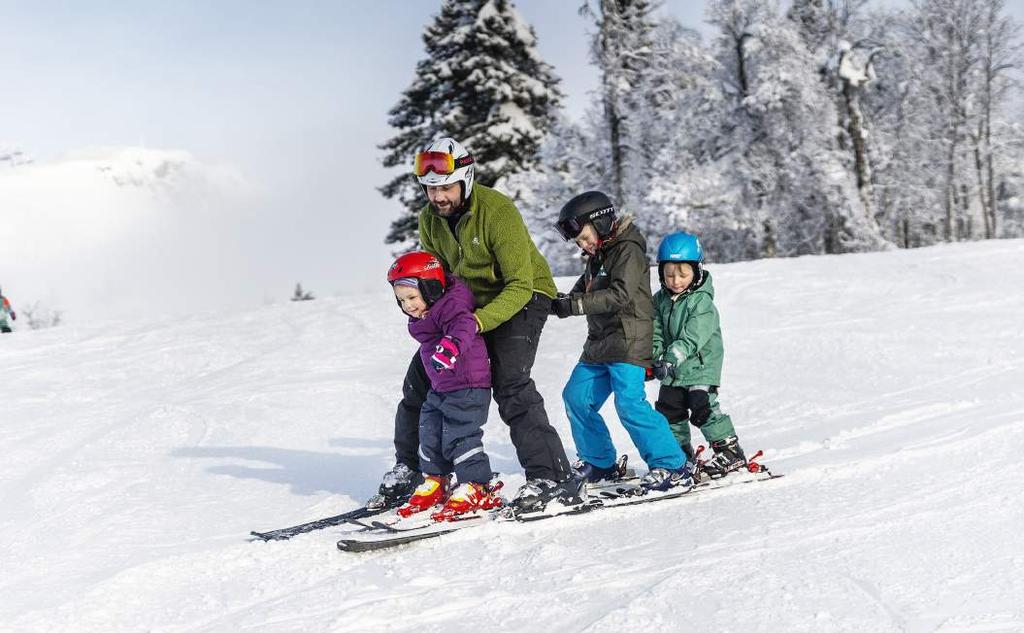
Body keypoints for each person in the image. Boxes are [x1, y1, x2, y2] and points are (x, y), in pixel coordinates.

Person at [369, 137, 579, 515]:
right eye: (431, 189)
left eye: (446, 187)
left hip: (524, 297)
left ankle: (551, 476)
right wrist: (440, 324)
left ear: (465, 181)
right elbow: (438, 281)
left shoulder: (498, 211)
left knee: (510, 381)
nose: (438, 197)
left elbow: (519, 282)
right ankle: (414, 469)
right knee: (422, 379)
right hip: (465, 306)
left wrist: (474, 325)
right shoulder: (429, 220)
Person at [550, 191, 691, 492]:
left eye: (585, 237)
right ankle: (599, 462)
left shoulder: (628, 249)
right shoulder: (599, 252)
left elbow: (620, 295)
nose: (583, 245)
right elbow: (585, 288)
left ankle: (672, 465)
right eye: (579, 243)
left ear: (600, 222)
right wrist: (557, 302)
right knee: (576, 397)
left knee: (629, 403)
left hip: (629, 339)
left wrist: (574, 305)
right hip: (600, 342)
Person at [386, 251, 503, 520]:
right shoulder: (426, 315)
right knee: (430, 430)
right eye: (401, 300)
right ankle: (436, 480)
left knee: (460, 434)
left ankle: (476, 484)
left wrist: (450, 346)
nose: (408, 305)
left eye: (412, 297)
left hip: (468, 384)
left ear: (431, 287)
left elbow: (465, 325)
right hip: (441, 387)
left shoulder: (451, 306)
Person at [651, 231, 749, 479]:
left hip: (701, 365)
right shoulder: (660, 300)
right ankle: (680, 455)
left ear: (697, 270)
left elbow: (692, 338)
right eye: (669, 274)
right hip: (674, 369)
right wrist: (655, 356)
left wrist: (670, 357)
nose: (676, 280)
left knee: (701, 406)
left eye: (683, 273)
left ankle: (730, 450)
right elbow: (655, 331)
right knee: (668, 409)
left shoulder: (702, 302)